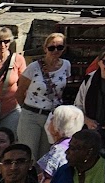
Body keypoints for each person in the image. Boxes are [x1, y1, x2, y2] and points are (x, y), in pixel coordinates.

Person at [15, 32, 72, 161]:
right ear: (45, 48)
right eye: (52, 48)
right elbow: (19, 92)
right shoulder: (33, 68)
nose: (55, 51)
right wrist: (27, 109)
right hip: (31, 115)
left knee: (46, 156)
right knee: (29, 155)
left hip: (52, 116)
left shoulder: (66, 65)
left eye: (60, 47)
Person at [37, 104, 87, 183]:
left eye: (53, 119)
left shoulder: (57, 150)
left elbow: (48, 177)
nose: (49, 121)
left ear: (57, 128)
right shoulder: (74, 145)